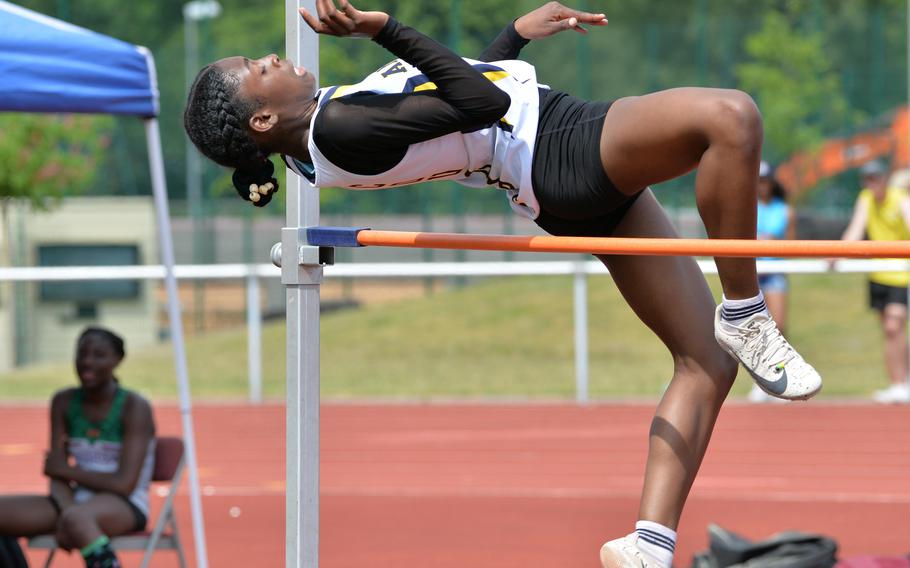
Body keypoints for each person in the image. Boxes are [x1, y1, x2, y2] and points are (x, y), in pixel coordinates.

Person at [183, 2, 823, 566]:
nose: (275, 57)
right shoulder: (339, 129)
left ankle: (646, 544)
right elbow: (485, 105)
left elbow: (466, 102)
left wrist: (512, 36)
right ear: (262, 121)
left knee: (703, 362)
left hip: (546, 175)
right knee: (729, 118)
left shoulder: (322, 130)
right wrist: (385, 29)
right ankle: (745, 310)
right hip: (557, 146)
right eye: (260, 68)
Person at [0, 328, 156, 568]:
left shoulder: (134, 407)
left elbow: (124, 484)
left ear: (117, 360)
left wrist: (68, 472)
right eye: (81, 354)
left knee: (78, 519)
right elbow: (56, 474)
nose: (87, 362)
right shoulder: (63, 402)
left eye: (99, 355)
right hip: (70, 502)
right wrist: (66, 508)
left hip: (124, 503)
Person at [840, 160, 910, 404]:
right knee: (890, 332)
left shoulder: (900, 197)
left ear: (885, 179)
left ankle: (902, 383)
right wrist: (838, 252)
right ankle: (898, 383)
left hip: (901, 274)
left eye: (876, 179)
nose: (872, 184)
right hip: (877, 273)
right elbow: (856, 229)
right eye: (867, 179)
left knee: (894, 326)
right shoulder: (865, 199)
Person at [748, 160, 797, 403]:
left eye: (764, 181)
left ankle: (781, 379)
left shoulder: (784, 210)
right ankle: (761, 382)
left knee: (778, 325)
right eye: (757, 182)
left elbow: (790, 245)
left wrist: (770, 243)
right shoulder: (746, 208)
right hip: (753, 272)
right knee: (756, 329)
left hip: (775, 270)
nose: (761, 186)